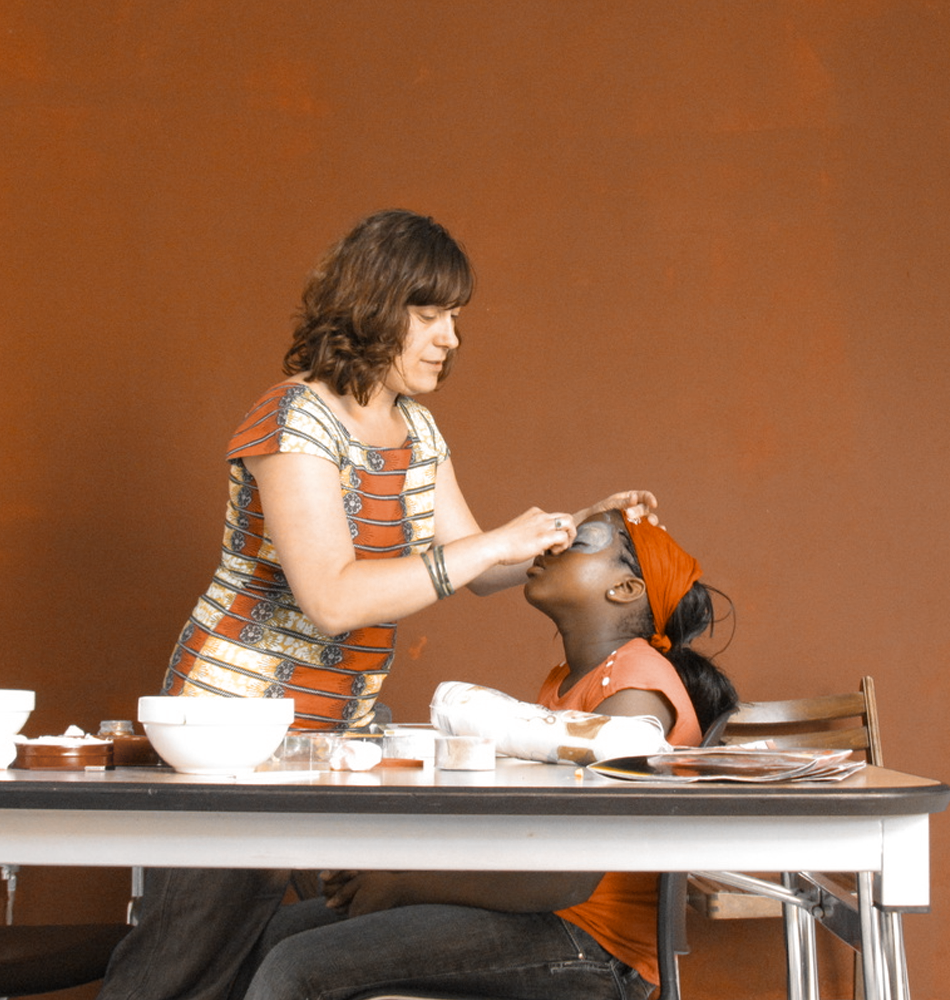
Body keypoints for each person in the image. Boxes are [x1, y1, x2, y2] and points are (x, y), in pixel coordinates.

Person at [97, 209, 658, 1000]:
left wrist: (574, 527)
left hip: (336, 733)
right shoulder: (294, 419)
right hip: (232, 726)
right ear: (373, 306)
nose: (450, 338)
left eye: (455, 318)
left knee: (276, 955)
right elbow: (332, 597)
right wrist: (489, 547)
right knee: (181, 965)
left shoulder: (417, 431)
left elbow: (479, 567)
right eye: (430, 315)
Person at [234, 510, 738, 1000]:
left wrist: (404, 886)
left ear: (625, 589)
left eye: (579, 542)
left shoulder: (636, 687)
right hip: (548, 915)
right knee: (275, 935)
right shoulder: (570, 682)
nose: (553, 547)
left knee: (296, 967)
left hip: (592, 948)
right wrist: (396, 877)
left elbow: (564, 880)